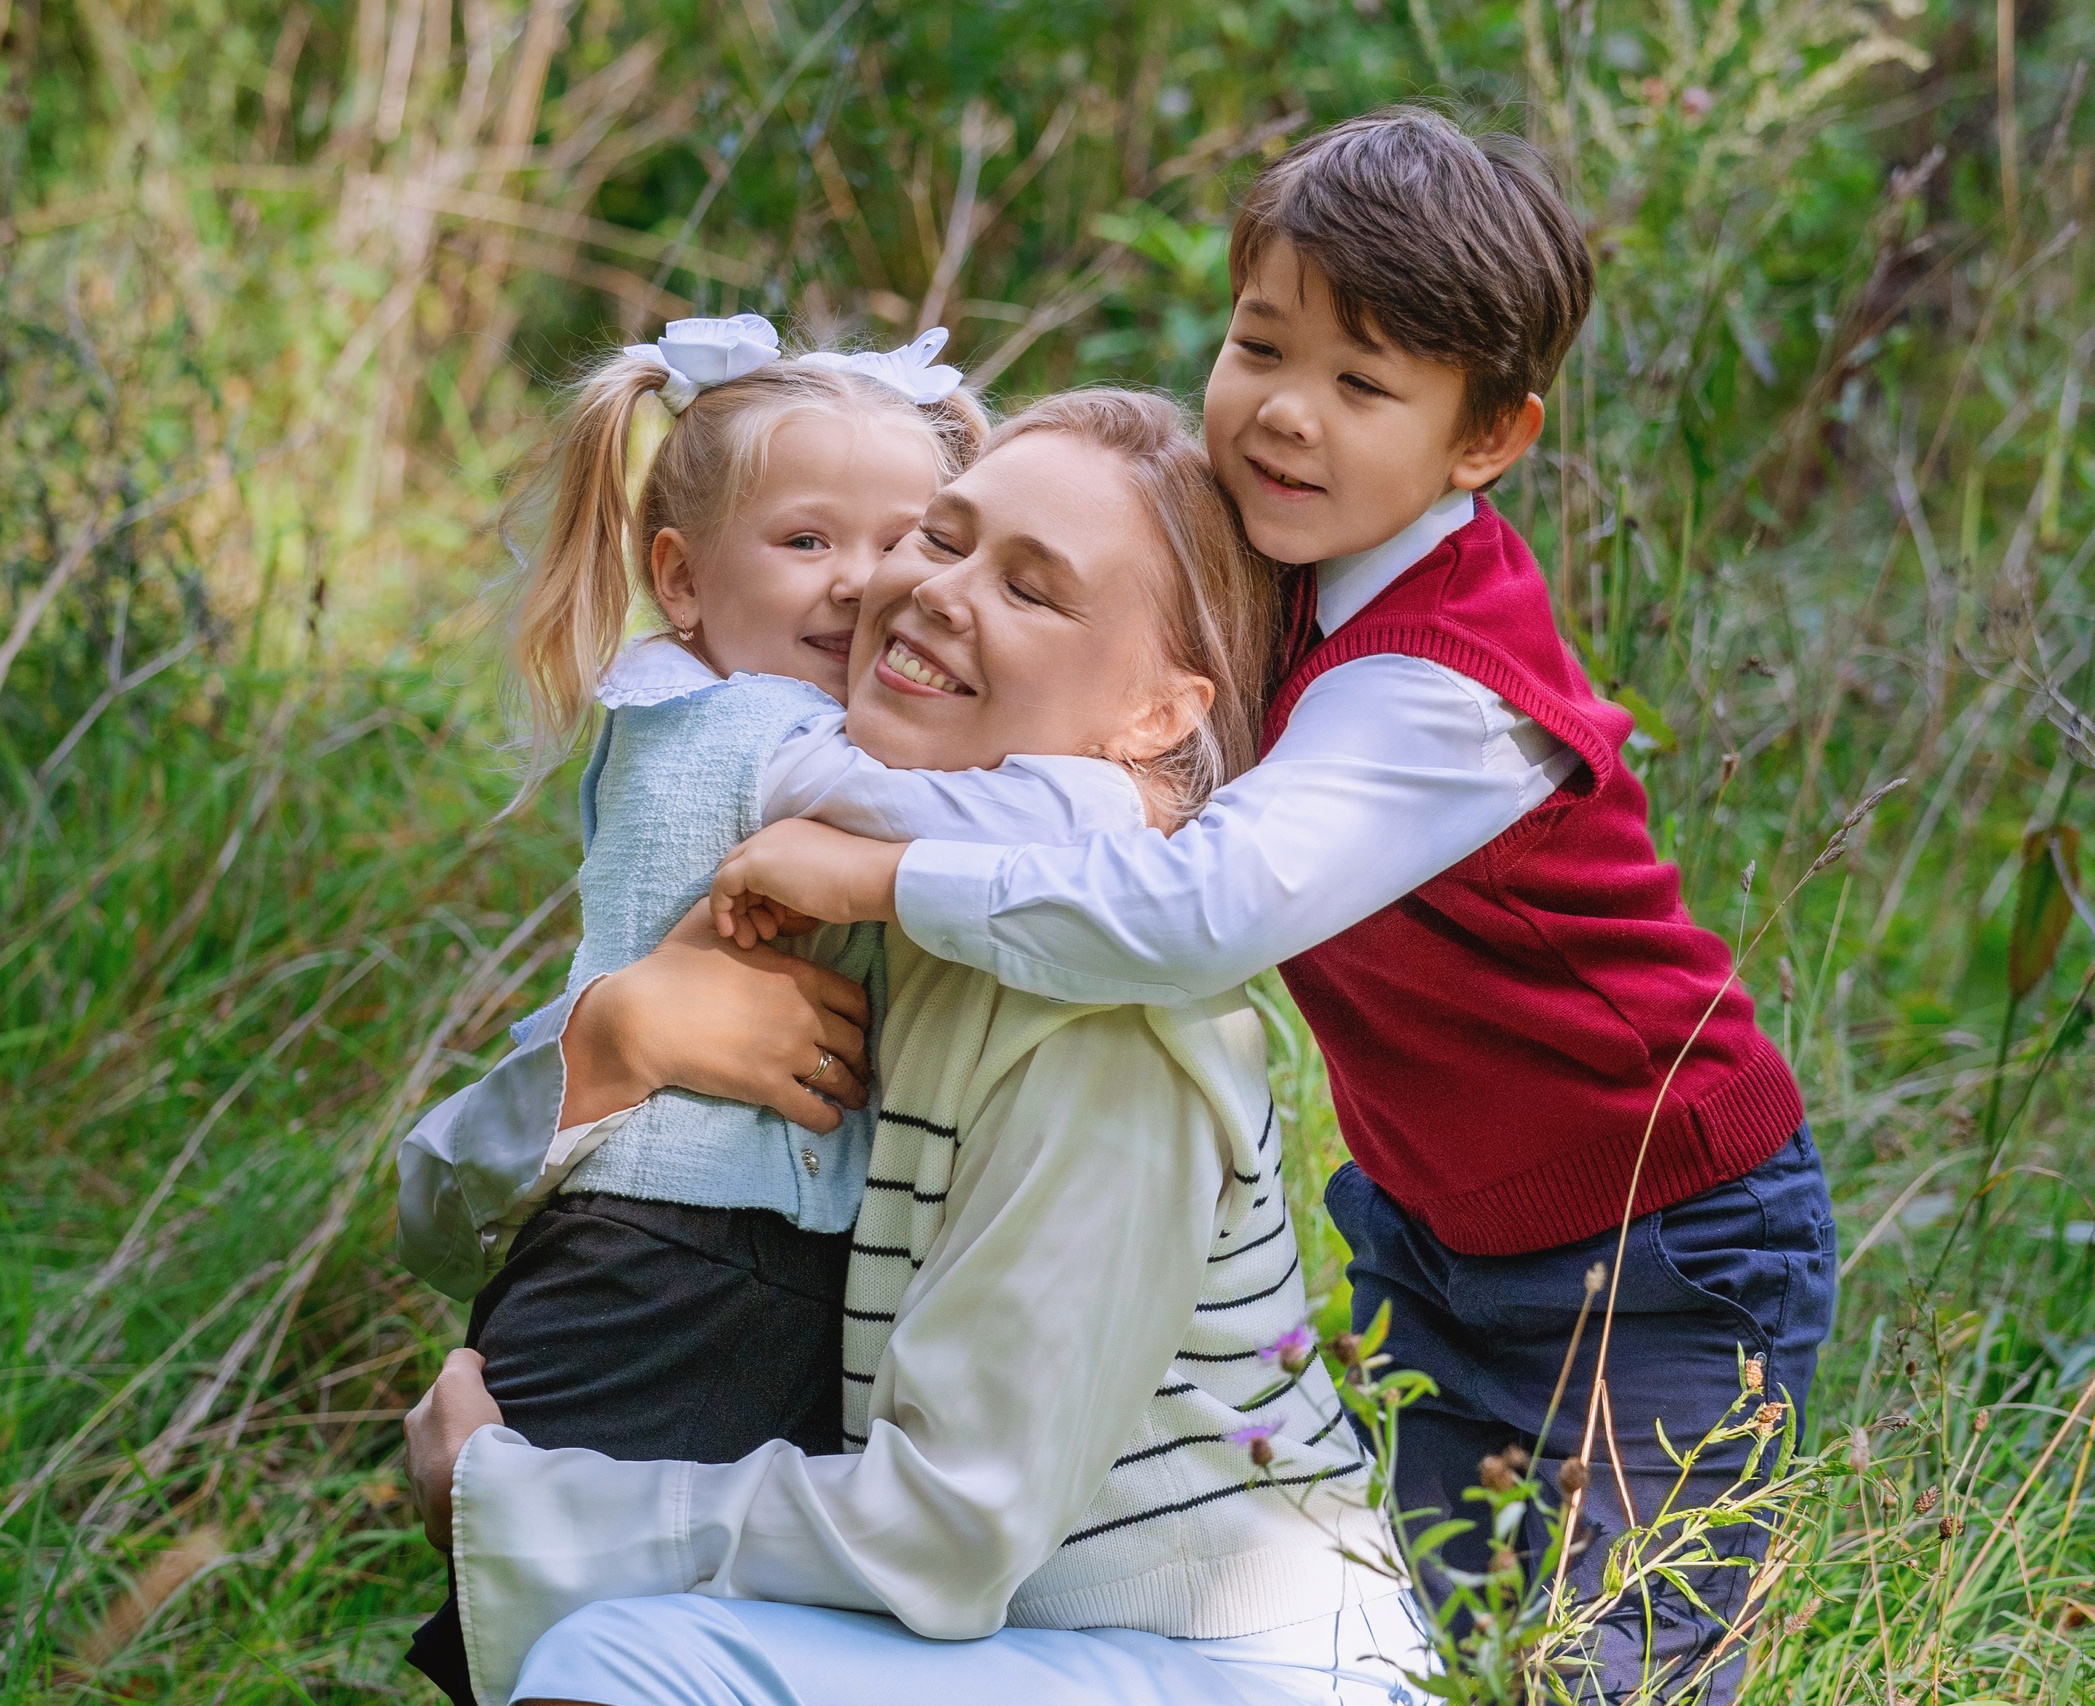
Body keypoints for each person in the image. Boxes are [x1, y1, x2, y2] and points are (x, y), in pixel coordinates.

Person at [695, 110, 1839, 1702]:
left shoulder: (1444, 686)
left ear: (1487, 437)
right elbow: (1064, 765)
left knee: (1614, 1662)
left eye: (1365, 386)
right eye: (1259, 347)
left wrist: (885, 872)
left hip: (1659, 1230)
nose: (1287, 417)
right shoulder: (1286, 562)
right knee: (1454, 1652)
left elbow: (1193, 911)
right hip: (1440, 1228)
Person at [404, 392, 1425, 1706]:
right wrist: (610, 1046)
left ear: (1158, 715)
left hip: (1226, 1666)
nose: (936, 591)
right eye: (942, 540)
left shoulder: (1104, 1036)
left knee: (622, 1660)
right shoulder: (865, 896)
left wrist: (516, 1499)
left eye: (1032, 588)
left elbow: (945, 1531)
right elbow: (436, 1206)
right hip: (1014, 1639)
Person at [396, 319, 1150, 1702]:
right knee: (568, 1644)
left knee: (606, 1636)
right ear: (679, 578)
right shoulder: (763, 739)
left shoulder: (690, 711)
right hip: (676, 1270)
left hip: (693, 1260)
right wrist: (1134, 794)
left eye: (904, 538)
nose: (863, 584)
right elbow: (952, 817)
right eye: (807, 542)